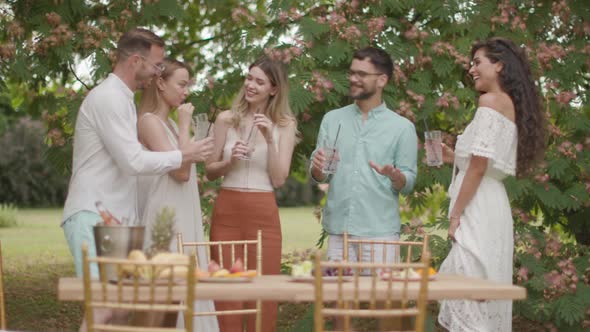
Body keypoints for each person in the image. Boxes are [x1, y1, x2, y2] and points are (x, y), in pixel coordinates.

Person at [61, 28, 211, 330]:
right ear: (134, 61)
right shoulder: (108, 98)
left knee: (119, 312)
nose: (157, 71)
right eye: (155, 65)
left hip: (114, 221)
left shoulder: (124, 100)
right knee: (103, 310)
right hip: (92, 216)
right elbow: (131, 161)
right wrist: (183, 156)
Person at [437, 37, 545, 331]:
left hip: (477, 207)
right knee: (479, 291)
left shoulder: (489, 102)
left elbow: (478, 167)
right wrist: (453, 156)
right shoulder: (507, 104)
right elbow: (482, 162)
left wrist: (456, 215)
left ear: (499, 65)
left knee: (466, 290)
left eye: (477, 62)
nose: (471, 69)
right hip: (492, 202)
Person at [205, 56, 298, 332]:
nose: (251, 85)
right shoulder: (225, 119)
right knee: (227, 291)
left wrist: (270, 138)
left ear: (274, 89)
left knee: (264, 290)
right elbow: (210, 171)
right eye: (249, 78)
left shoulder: (285, 124)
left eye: (259, 81)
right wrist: (229, 162)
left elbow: (279, 179)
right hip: (228, 211)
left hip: (263, 212)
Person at [309, 46, 418, 265]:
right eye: (352, 72)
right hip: (339, 233)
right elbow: (320, 175)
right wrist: (318, 168)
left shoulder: (402, 128)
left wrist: (397, 177)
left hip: (381, 235)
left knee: (381, 300)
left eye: (362, 74)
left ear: (382, 80)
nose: (354, 79)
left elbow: (408, 182)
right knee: (339, 299)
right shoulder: (332, 119)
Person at [137, 58, 218, 331]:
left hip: (183, 211)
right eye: (181, 84)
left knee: (189, 280)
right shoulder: (149, 123)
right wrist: (185, 125)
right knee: (169, 289)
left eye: (188, 86)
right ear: (160, 83)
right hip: (166, 216)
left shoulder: (169, 126)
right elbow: (180, 172)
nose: (186, 92)